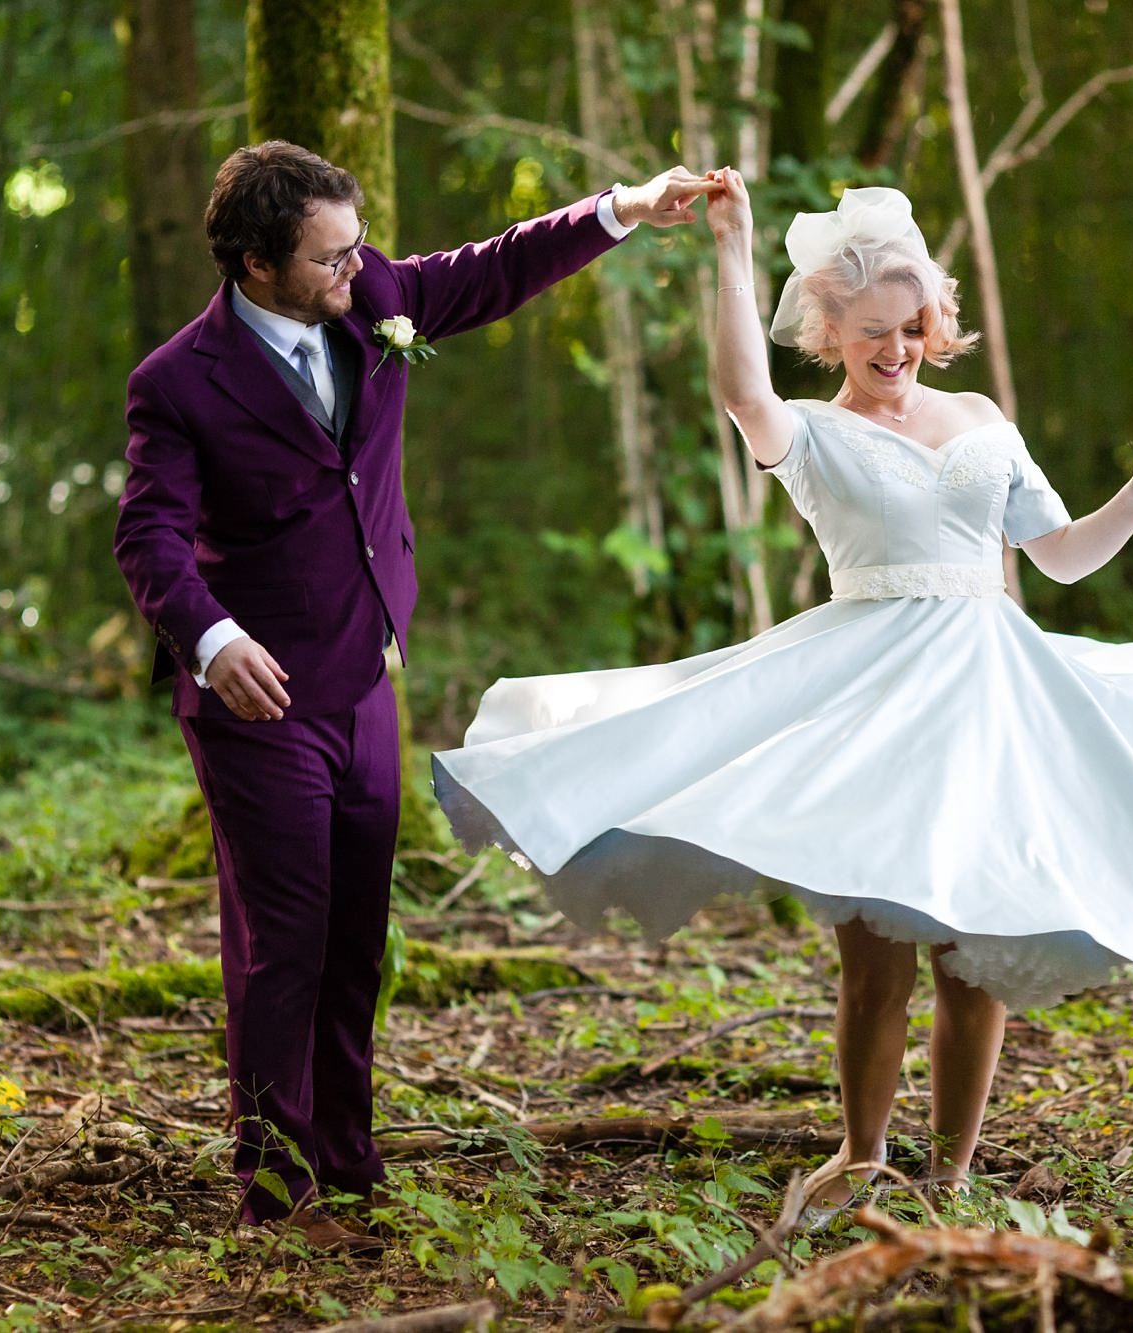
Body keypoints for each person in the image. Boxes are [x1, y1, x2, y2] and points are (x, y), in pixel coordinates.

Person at [431, 174, 1133, 1218]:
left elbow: (1056, 560)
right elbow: (743, 394)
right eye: (870, 330)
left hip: (989, 693)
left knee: (977, 953)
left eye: (910, 328)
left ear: (932, 322)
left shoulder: (977, 416)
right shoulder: (811, 437)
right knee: (874, 961)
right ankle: (863, 1155)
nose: (894, 349)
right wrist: (730, 247)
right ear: (828, 330)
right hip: (872, 697)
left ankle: (951, 1174)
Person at [113, 141, 714, 1252]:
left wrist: (623, 207)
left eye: (356, 244)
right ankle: (274, 1187)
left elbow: (493, 268)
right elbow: (146, 535)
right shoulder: (179, 380)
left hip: (366, 684)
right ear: (254, 264)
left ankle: (347, 1162)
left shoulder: (370, 295)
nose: (359, 266)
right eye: (331, 254)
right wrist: (210, 636)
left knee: (357, 936)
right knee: (282, 939)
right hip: (260, 701)